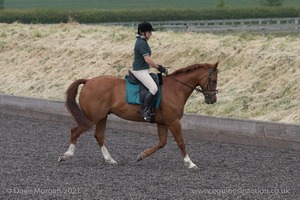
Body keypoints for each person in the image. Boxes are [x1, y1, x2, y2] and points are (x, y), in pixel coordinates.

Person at [131, 21, 167, 121]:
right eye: (149, 32)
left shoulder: (142, 41)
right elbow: (147, 59)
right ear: (142, 32)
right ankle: (144, 110)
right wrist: (158, 67)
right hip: (140, 71)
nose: (151, 33)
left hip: (144, 70)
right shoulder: (141, 43)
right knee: (153, 88)